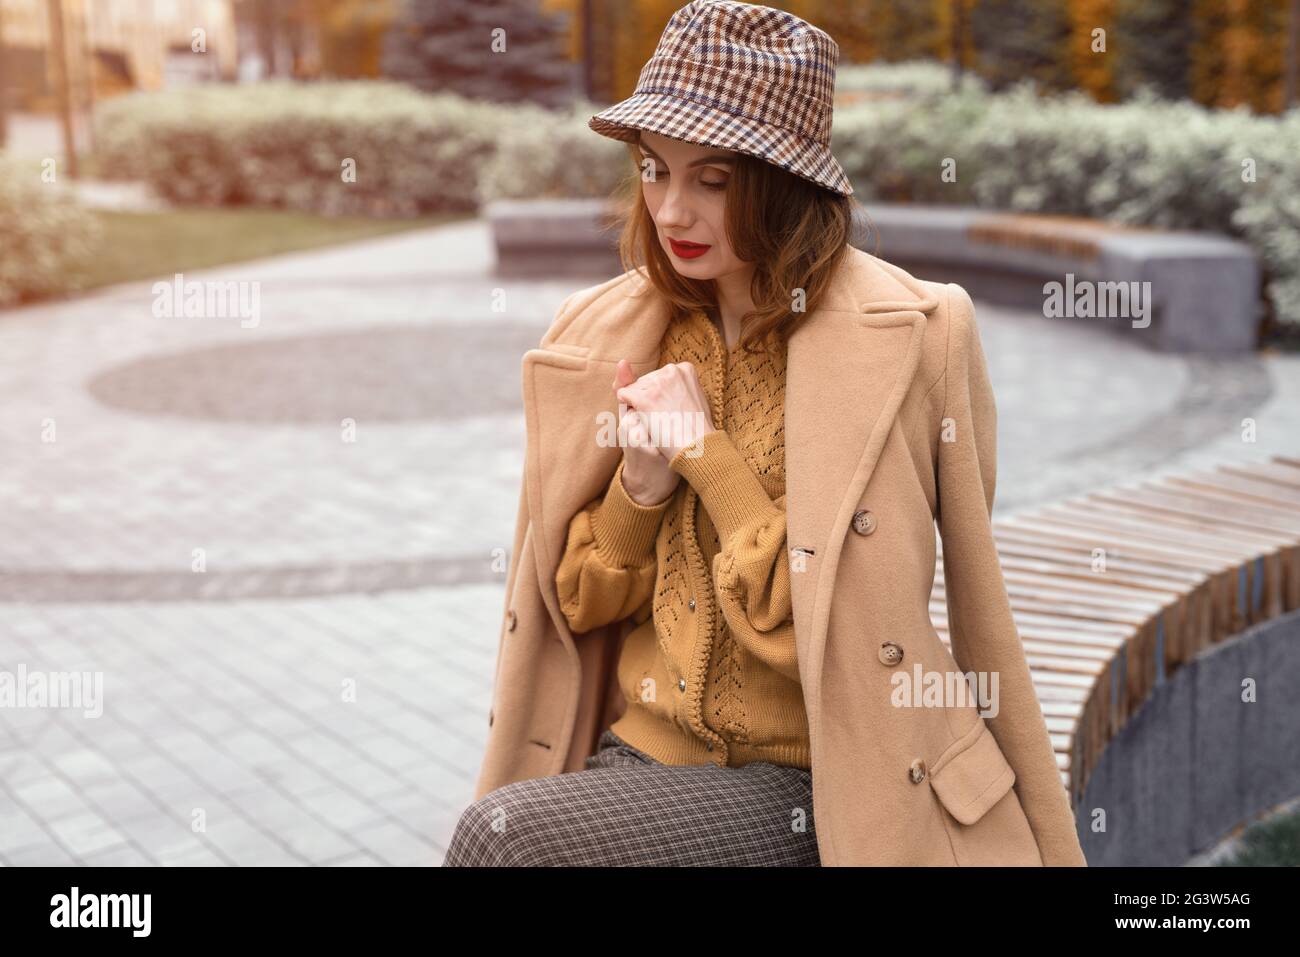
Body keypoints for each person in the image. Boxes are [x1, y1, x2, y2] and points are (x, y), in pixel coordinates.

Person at [444, 0, 1087, 867]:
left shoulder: (919, 334)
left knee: (504, 839)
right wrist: (640, 486)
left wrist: (707, 458)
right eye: (653, 170)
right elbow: (577, 605)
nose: (672, 212)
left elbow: (864, 616)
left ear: (786, 183)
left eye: (713, 181)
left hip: (824, 774)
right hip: (642, 755)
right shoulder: (602, 332)